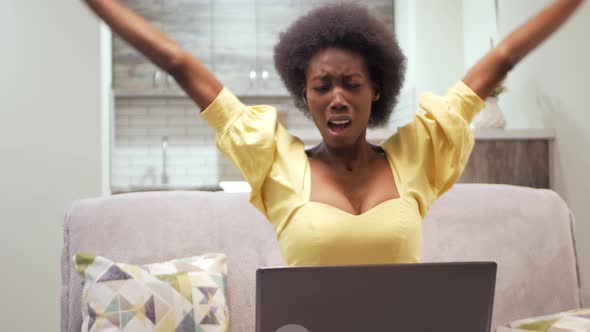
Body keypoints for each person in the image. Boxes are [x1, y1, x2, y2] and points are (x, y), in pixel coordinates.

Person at [84, 0, 584, 266]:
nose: (338, 97)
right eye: (322, 86)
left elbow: (501, 59)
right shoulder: (276, 161)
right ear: (305, 95)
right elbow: (178, 62)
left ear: (376, 92)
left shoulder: (418, 154)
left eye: (352, 84)